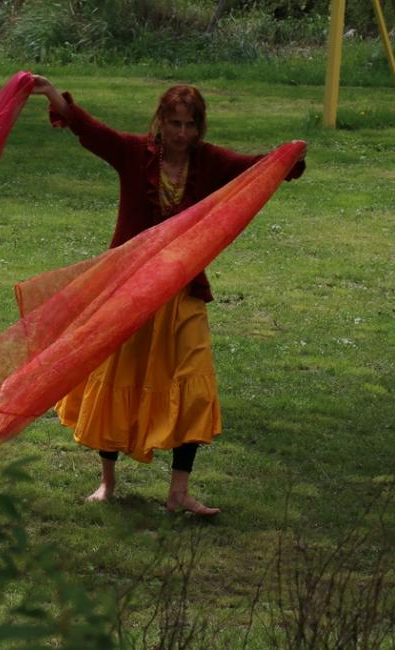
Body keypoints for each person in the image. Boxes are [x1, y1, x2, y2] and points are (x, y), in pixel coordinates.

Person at [30, 75, 305, 515]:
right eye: (174, 123)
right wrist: (50, 94)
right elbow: (91, 130)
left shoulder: (208, 161)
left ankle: (178, 493)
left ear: (199, 127)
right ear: (161, 121)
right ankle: (107, 483)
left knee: (193, 383)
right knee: (118, 379)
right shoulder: (133, 153)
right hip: (129, 288)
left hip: (183, 290)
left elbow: (257, 168)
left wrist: (289, 156)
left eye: (190, 125)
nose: (181, 133)